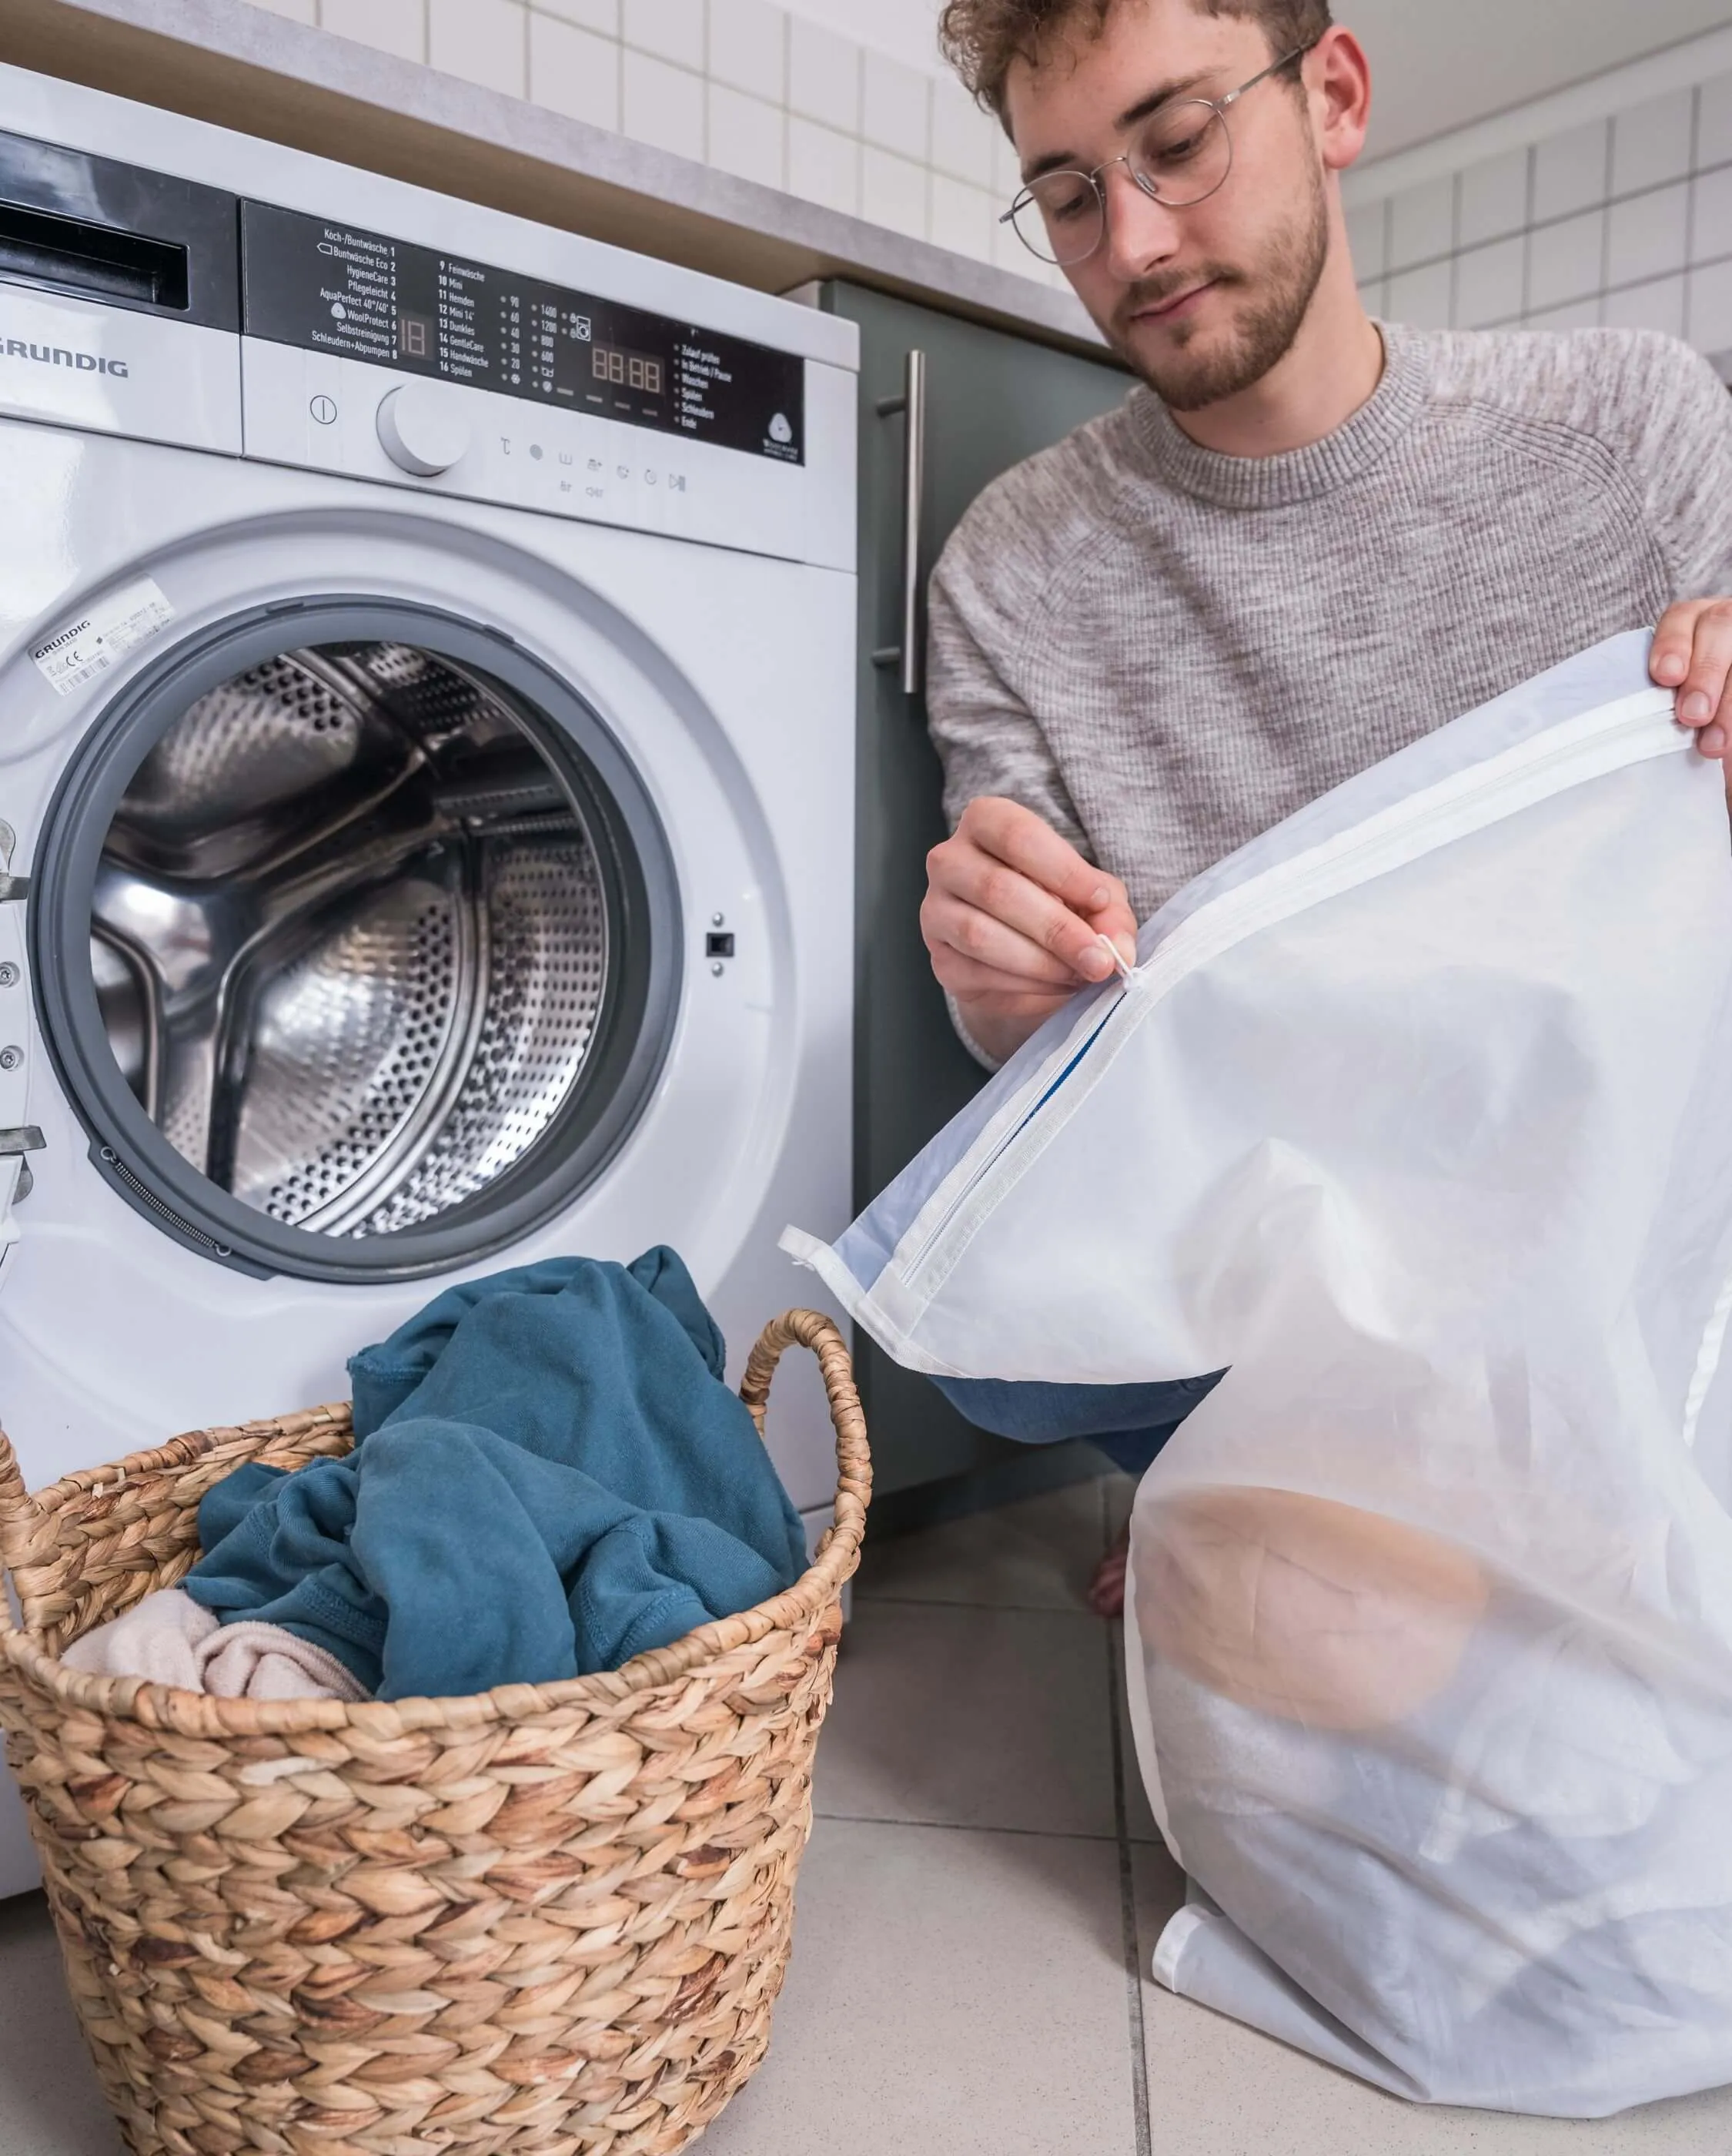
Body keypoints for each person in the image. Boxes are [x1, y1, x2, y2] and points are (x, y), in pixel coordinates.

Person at [921, 0, 1732, 1616]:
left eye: (1178, 140)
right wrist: (999, 988)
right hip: (1290, 1255)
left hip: (1607, 1214)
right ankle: (1306, 1501)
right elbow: (1064, 1064)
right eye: (1071, 191)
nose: (1135, 239)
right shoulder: (1012, 563)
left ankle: (1308, 1517)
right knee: (992, 1348)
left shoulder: (1631, 429)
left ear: (1335, 96)